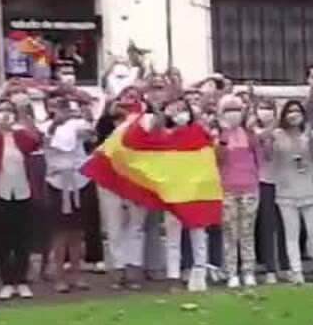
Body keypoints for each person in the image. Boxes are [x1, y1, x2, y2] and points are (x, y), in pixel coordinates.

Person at [0, 96, 46, 301]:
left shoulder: (21, 136)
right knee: (2, 241)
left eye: (9, 111)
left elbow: (36, 140)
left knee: (22, 239)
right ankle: (6, 281)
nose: (5, 114)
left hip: (22, 193)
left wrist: (23, 119)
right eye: (0, 110)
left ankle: (21, 281)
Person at [264, 100, 313, 284]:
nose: (294, 114)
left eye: (297, 111)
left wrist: (308, 137)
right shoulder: (277, 135)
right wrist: (274, 126)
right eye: (290, 111)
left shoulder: (312, 134)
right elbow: (269, 154)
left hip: (310, 188)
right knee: (291, 234)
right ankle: (296, 270)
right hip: (286, 190)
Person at [154, 95, 212, 293]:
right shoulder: (165, 135)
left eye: (183, 108)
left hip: (196, 190)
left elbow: (208, 154)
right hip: (173, 191)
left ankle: (199, 274)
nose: (180, 113)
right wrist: (162, 113)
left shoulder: (197, 131)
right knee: (173, 236)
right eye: (175, 109)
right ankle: (174, 278)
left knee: (198, 234)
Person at [42, 95, 96, 293]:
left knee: (77, 232)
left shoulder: (77, 126)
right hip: (58, 183)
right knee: (60, 232)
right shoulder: (46, 126)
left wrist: (86, 116)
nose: (64, 112)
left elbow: (91, 134)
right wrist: (56, 124)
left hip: (79, 182)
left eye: (67, 108)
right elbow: (48, 143)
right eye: (59, 108)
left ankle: (77, 274)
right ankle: (59, 276)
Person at [95, 94, 149, 290]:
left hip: (135, 181)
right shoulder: (105, 130)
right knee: (114, 226)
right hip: (109, 181)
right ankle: (117, 268)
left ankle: (133, 267)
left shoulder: (143, 131)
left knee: (135, 227)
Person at [213, 96, 264, 289]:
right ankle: (232, 272)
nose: (233, 113)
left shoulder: (249, 134)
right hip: (227, 189)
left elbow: (260, 157)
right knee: (230, 232)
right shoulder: (219, 135)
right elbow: (218, 159)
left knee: (247, 231)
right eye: (229, 110)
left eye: (236, 109)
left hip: (249, 187)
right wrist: (224, 136)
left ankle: (248, 271)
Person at [251, 99, 287, 284]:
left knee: (284, 226)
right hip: (264, 182)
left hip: (284, 182)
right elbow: (265, 150)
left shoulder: (282, 133)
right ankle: (270, 268)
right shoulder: (255, 131)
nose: (266, 112)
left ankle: (285, 265)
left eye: (269, 109)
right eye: (262, 108)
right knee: (267, 225)